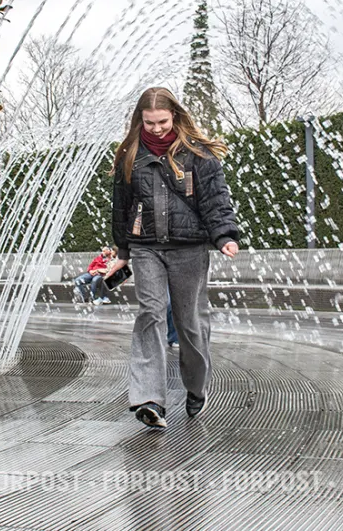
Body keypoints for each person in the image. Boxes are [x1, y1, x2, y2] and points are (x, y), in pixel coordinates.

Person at [105, 87, 240, 429]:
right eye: (149, 122)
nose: (156, 128)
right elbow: (120, 210)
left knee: (189, 324)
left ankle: (196, 387)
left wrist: (224, 235)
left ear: (175, 117)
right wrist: (123, 253)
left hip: (189, 248)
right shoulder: (130, 155)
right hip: (146, 246)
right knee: (150, 313)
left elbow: (216, 200)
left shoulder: (200, 155)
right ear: (140, 120)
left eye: (162, 121)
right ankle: (149, 400)